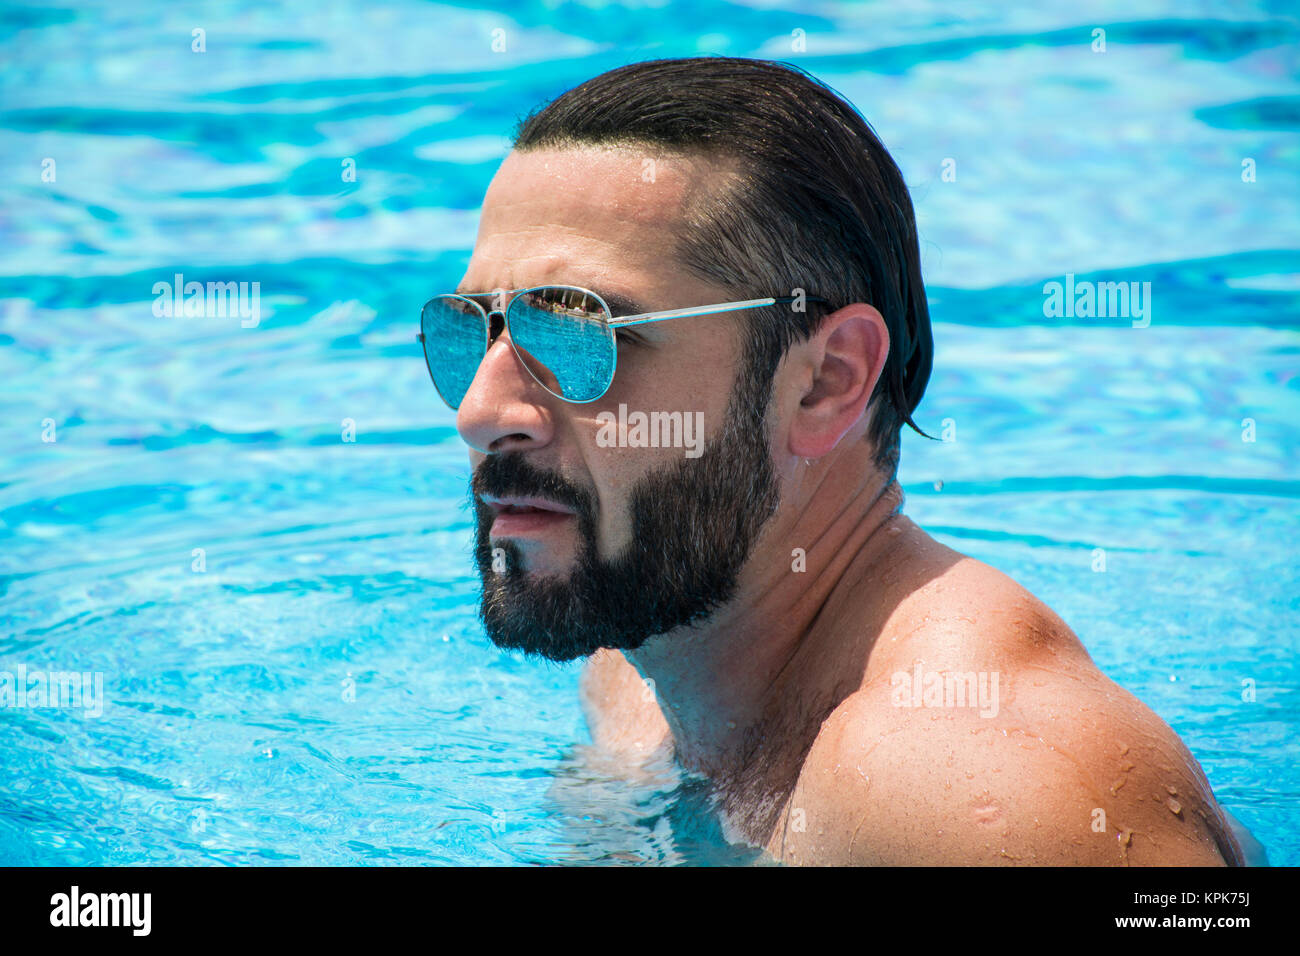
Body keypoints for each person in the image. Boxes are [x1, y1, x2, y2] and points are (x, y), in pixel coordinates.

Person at [422, 56, 1244, 865]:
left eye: (579, 331)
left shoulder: (979, 788)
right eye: (475, 328)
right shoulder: (635, 668)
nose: (481, 415)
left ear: (824, 383)